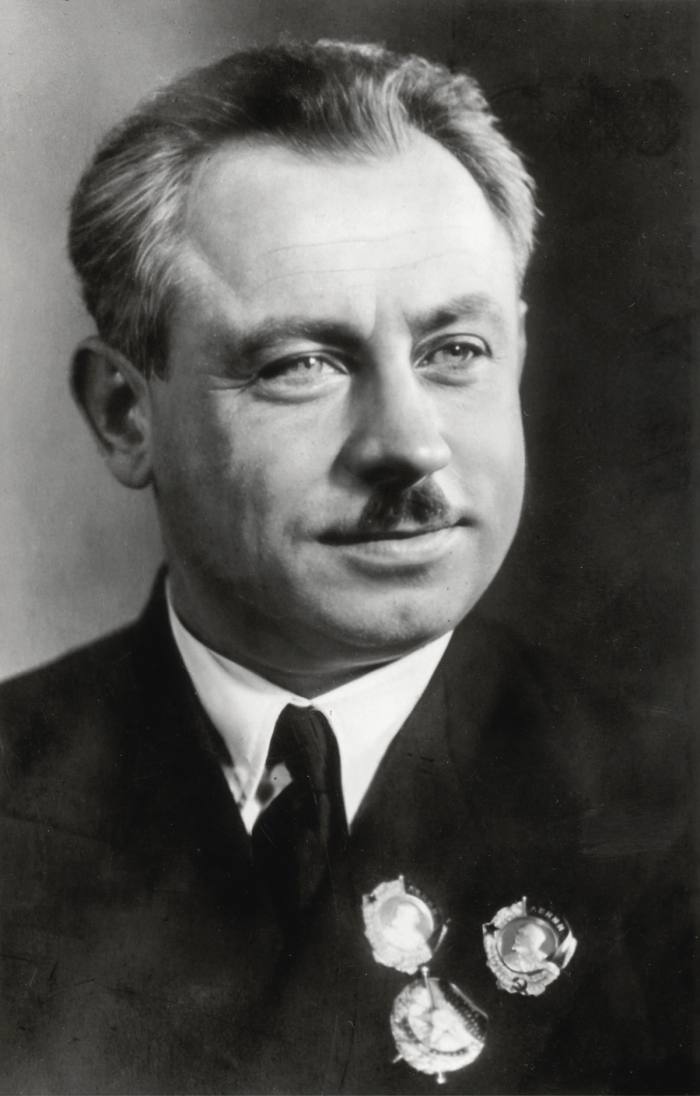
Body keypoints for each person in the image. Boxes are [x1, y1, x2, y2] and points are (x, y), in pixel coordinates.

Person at [0, 40, 692, 1095]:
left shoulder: (673, 815)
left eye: (454, 350)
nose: (409, 443)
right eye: (303, 364)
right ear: (125, 414)